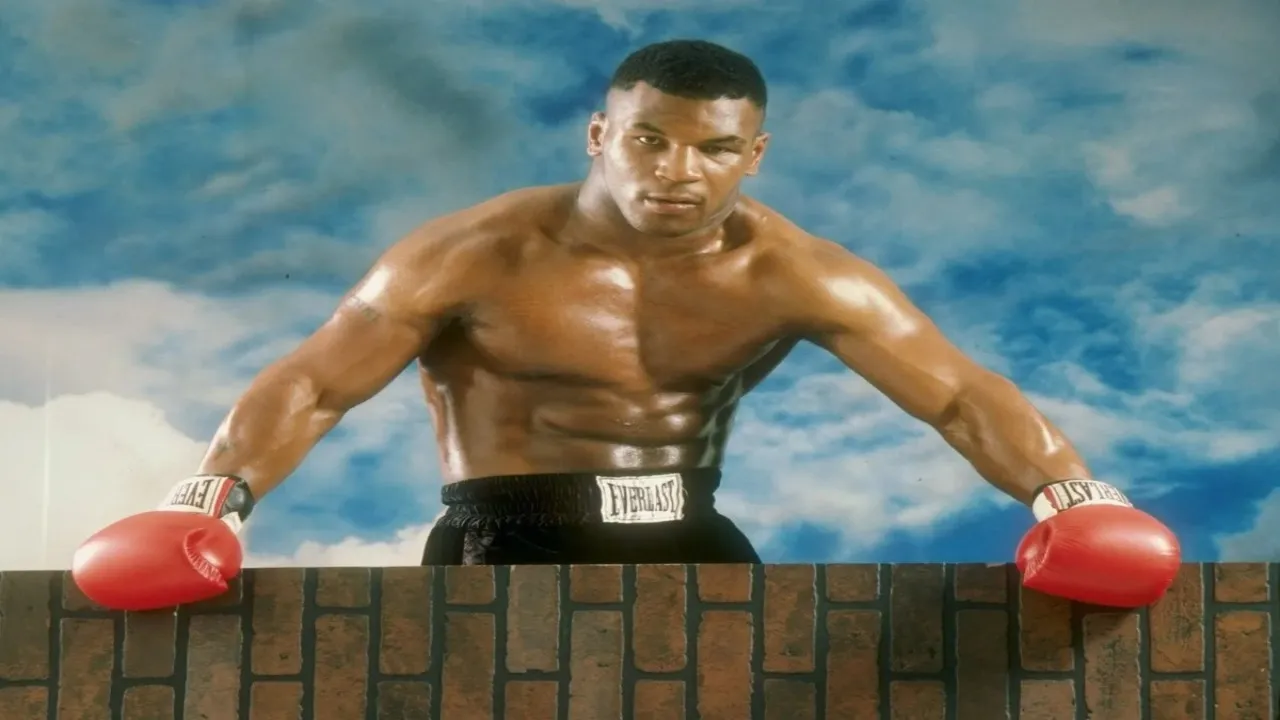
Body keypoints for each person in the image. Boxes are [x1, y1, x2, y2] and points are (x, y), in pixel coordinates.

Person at [72, 39, 1180, 611]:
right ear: (601, 134)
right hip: (506, 534)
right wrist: (204, 502)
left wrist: (1073, 498)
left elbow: (958, 394)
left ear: (752, 156)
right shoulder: (474, 252)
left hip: (688, 529)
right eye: (650, 140)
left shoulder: (796, 273)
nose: (676, 171)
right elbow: (316, 383)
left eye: (712, 149)